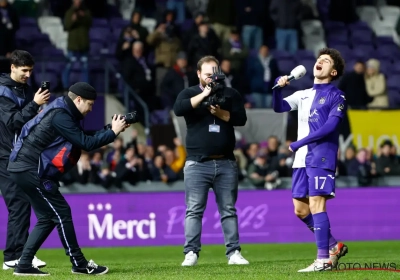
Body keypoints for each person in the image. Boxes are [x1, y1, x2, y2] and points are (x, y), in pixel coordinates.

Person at [7, 82, 130, 276]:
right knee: (62, 213)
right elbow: (85, 143)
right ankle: (79, 263)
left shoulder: (62, 110)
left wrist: (110, 130)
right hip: (31, 169)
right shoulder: (61, 115)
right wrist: (112, 133)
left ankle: (24, 264)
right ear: (79, 100)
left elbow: (80, 137)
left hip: (22, 167)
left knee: (47, 218)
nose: (90, 109)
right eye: (89, 104)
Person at [272, 48, 348, 272]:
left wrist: (299, 142)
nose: (320, 62)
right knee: (300, 210)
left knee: (316, 205)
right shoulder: (303, 94)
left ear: (333, 72)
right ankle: (334, 246)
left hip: (321, 155)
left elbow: (330, 127)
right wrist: (277, 88)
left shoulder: (337, 95)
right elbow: (279, 107)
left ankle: (322, 259)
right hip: (301, 160)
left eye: (326, 61)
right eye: (319, 59)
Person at [173, 55, 249, 266]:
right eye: (207, 74)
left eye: (214, 74)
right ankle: (191, 253)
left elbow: (241, 119)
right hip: (197, 163)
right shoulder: (189, 93)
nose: (211, 78)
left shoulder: (230, 93)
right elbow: (179, 109)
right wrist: (204, 94)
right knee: (194, 210)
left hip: (226, 162)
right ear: (198, 74)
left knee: (228, 209)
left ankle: (233, 253)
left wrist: (223, 114)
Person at [0, 50, 49, 270]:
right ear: (12, 67)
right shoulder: (2, 92)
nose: (28, 74)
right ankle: (14, 256)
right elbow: (12, 122)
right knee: (18, 203)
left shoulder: (21, 89)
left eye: (30, 70)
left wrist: (39, 112)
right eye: (24, 70)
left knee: (20, 204)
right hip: (3, 155)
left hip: (14, 154)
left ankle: (18, 254)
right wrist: (34, 104)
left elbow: (23, 122)